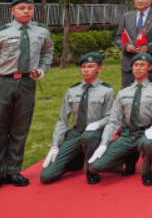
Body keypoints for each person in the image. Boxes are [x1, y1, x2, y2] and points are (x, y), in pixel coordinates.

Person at [0, 0, 53, 195]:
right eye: (22, 8)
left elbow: (48, 52)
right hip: (3, 82)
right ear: (12, 11)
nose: (26, 11)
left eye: (30, 7)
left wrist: (42, 69)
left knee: (20, 129)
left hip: (27, 84)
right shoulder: (0, 33)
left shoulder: (41, 31)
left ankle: (13, 172)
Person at [89, 53, 152, 186]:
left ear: (150, 67)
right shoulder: (124, 92)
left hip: (145, 133)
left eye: (142, 65)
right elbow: (114, 120)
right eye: (135, 65)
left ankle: (146, 172)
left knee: (148, 144)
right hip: (127, 134)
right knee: (95, 167)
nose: (138, 68)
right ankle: (127, 157)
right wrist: (104, 143)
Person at [40, 52, 115, 186]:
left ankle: (91, 170)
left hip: (94, 134)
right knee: (46, 176)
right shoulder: (72, 90)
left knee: (89, 136)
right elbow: (62, 120)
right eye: (83, 67)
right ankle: (77, 159)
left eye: (90, 66)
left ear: (99, 68)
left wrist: (98, 124)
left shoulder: (106, 91)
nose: (86, 70)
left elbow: (112, 117)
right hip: (76, 133)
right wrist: (55, 145)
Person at [114, 0, 152, 88]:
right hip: (129, 65)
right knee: (127, 95)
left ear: (150, 0)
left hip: (149, 63)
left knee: (147, 96)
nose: (140, 1)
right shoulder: (126, 17)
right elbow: (118, 37)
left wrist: (148, 48)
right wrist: (126, 46)